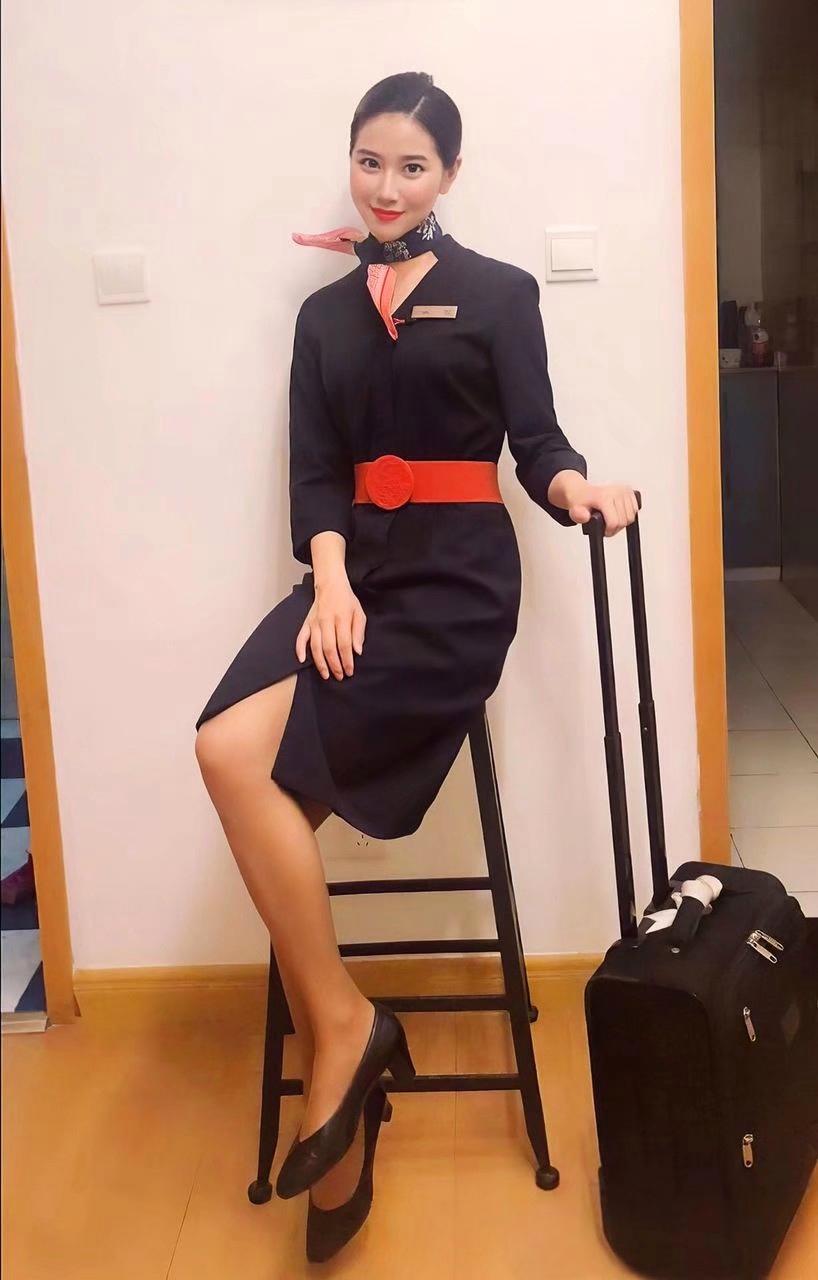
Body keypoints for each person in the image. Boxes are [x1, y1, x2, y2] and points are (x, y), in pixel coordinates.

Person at [194, 70, 639, 1262]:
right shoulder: (323, 318)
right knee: (223, 750)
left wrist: (577, 488)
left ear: (448, 175)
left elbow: (535, 440)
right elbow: (314, 472)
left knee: (251, 769)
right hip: (353, 577)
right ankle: (345, 1024)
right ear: (348, 161)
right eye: (368, 161)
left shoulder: (497, 292)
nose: (384, 186)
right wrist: (330, 581)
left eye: (411, 166)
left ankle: (337, 1062)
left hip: (453, 589)